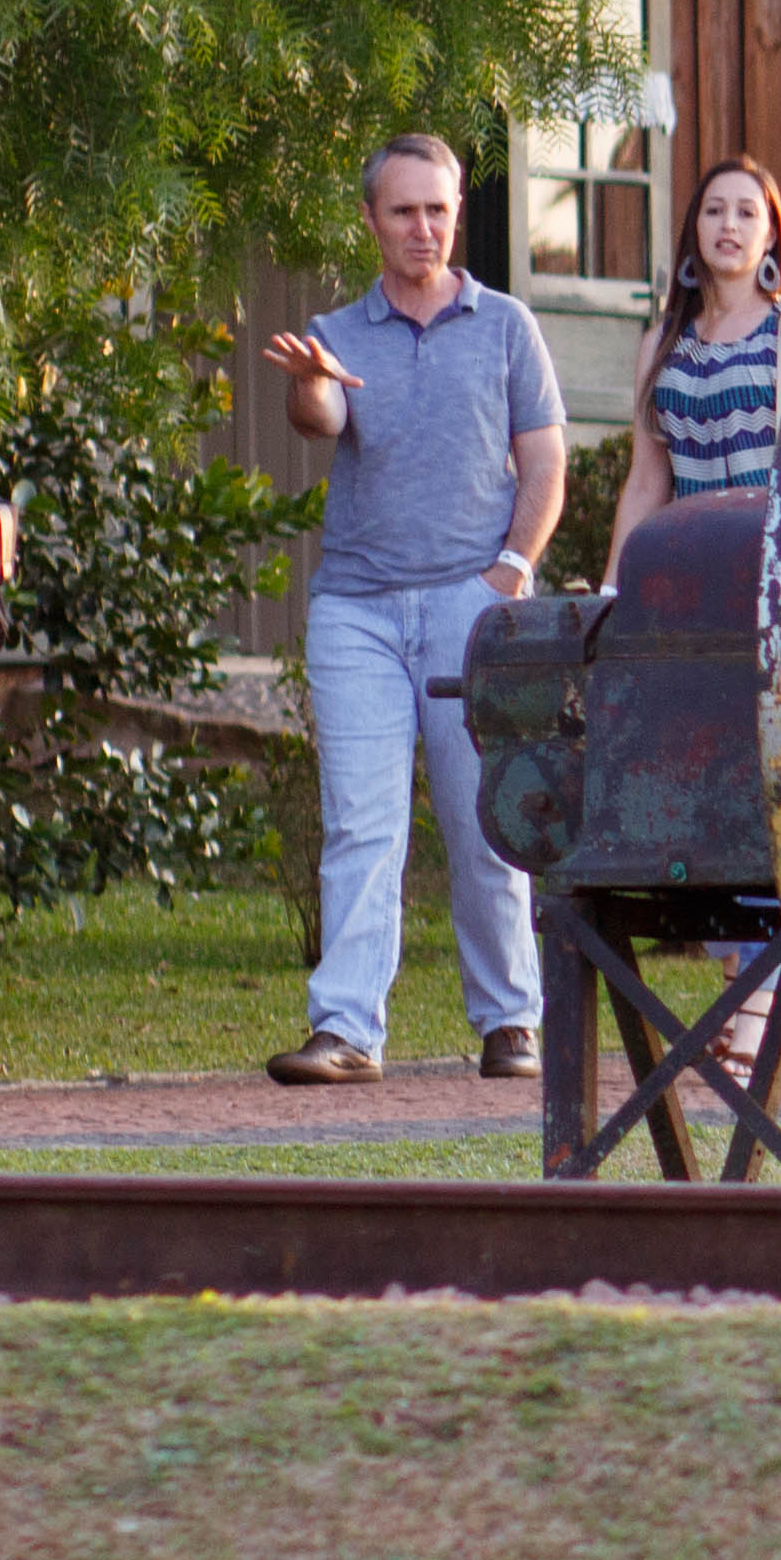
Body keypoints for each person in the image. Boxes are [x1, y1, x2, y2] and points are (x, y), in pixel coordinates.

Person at [260, 135, 565, 1089]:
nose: (423, 228)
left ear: (457, 212)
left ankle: (511, 1021)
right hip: (357, 611)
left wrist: (508, 575)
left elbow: (546, 463)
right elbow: (322, 421)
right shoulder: (336, 330)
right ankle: (346, 1030)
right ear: (371, 221)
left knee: (487, 823)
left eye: (437, 209)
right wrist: (313, 384)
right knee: (362, 824)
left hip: (475, 606)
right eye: (403, 211)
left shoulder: (507, 325)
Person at [607, 154, 781, 572]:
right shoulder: (661, 344)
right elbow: (646, 483)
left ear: (771, 235)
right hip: (689, 568)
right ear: (695, 227)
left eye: (746, 213)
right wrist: (612, 588)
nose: (728, 224)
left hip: (776, 566)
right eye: (714, 211)